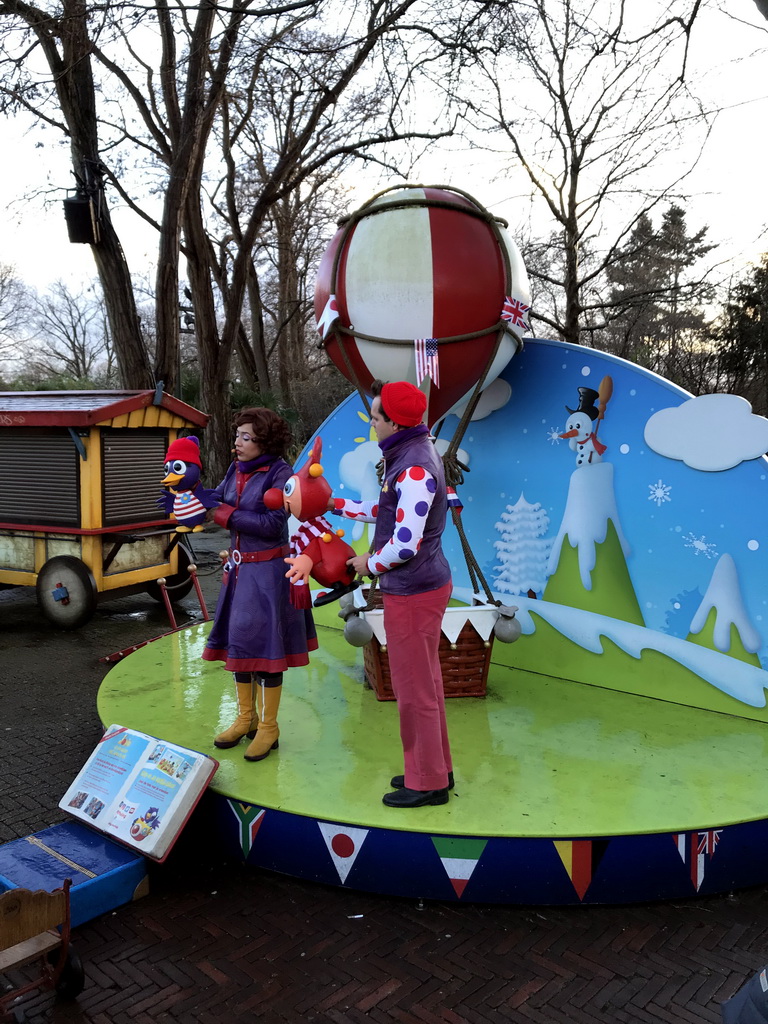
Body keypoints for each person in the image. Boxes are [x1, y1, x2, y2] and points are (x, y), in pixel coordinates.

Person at [330, 380, 454, 807]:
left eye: (377, 417)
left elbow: (404, 542)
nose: (373, 423)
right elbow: (389, 511)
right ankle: (435, 768)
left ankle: (427, 783)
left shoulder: (415, 465)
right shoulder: (409, 455)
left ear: (394, 422)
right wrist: (336, 505)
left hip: (414, 591)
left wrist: (369, 563)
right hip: (420, 587)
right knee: (427, 684)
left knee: (414, 689)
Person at [203, 407, 317, 762]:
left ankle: (269, 727)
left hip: (269, 576)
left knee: (269, 652)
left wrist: (222, 514)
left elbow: (271, 524)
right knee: (240, 644)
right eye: (237, 435)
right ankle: (246, 718)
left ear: (264, 441)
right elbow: (219, 497)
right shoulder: (236, 469)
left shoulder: (281, 473)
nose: (237, 442)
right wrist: (193, 495)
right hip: (239, 574)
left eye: (246, 437)